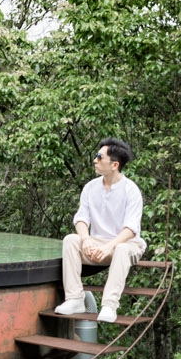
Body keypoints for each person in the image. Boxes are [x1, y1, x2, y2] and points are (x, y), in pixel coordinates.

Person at [56, 138, 145, 324]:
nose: (95, 160)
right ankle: (74, 299)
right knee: (71, 240)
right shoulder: (90, 187)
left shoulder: (131, 190)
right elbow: (81, 219)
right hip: (97, 243)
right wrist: (86, 239)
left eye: (99, 157)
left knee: (121, 249)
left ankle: (109, 305)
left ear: (114, 164)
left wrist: (109, 246)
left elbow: (130, 229)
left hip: (126, 244)